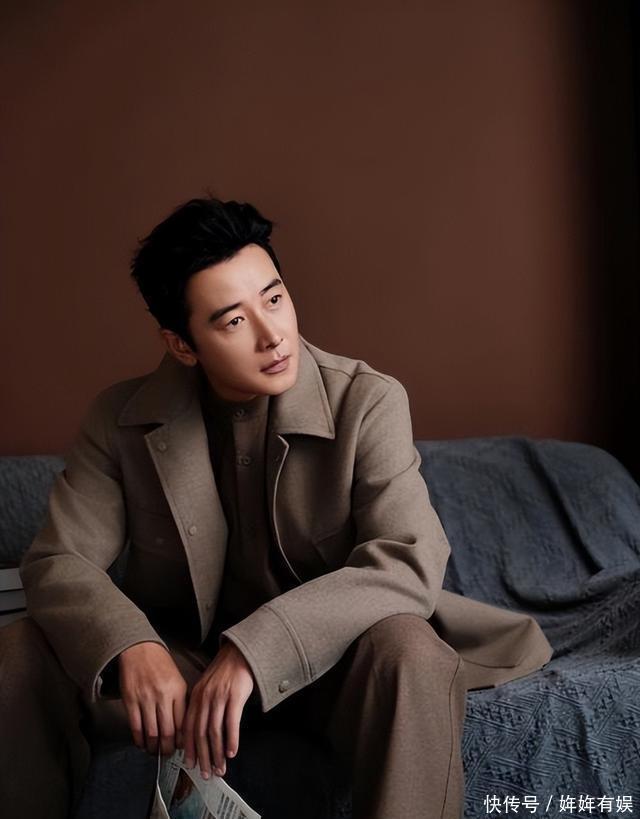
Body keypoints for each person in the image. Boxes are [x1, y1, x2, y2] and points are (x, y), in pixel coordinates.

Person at [0, 196, 553, 819]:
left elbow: (406, 560)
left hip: (333, 664)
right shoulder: (120, 419)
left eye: (274, 298)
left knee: (411, 648)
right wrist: (132, 645)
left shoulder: (367, 402)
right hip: (186, 673)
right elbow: (59, 561)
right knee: (20, 649)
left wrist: (255, 651)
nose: (273, 335)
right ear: (182, 345)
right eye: (234, 321)